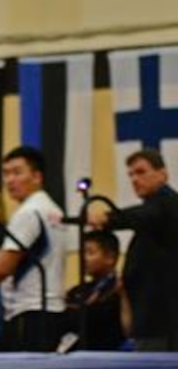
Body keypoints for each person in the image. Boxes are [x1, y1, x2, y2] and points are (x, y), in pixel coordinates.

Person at [0, 147, 68, 353]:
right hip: (52, 310)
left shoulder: (28, 212)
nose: (9, 180)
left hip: (30, 312)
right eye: (6, 174)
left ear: (37, 176)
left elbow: (4, 267)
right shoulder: (54, 210)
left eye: (17, 172)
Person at [100, 149, 178, 351]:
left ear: (163, 174)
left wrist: (108, 218)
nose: (134, 179)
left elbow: (143, 215)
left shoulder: (167, 203)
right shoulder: (154, 210)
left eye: (141, 172)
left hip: (163, 321)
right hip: (152, 319)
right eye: (131, 175)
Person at [64, 230, 125, 352]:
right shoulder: (77, 290)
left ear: (110, 258)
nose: (84, 258)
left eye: (90, 252)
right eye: (82, 252)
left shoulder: (119, 290)